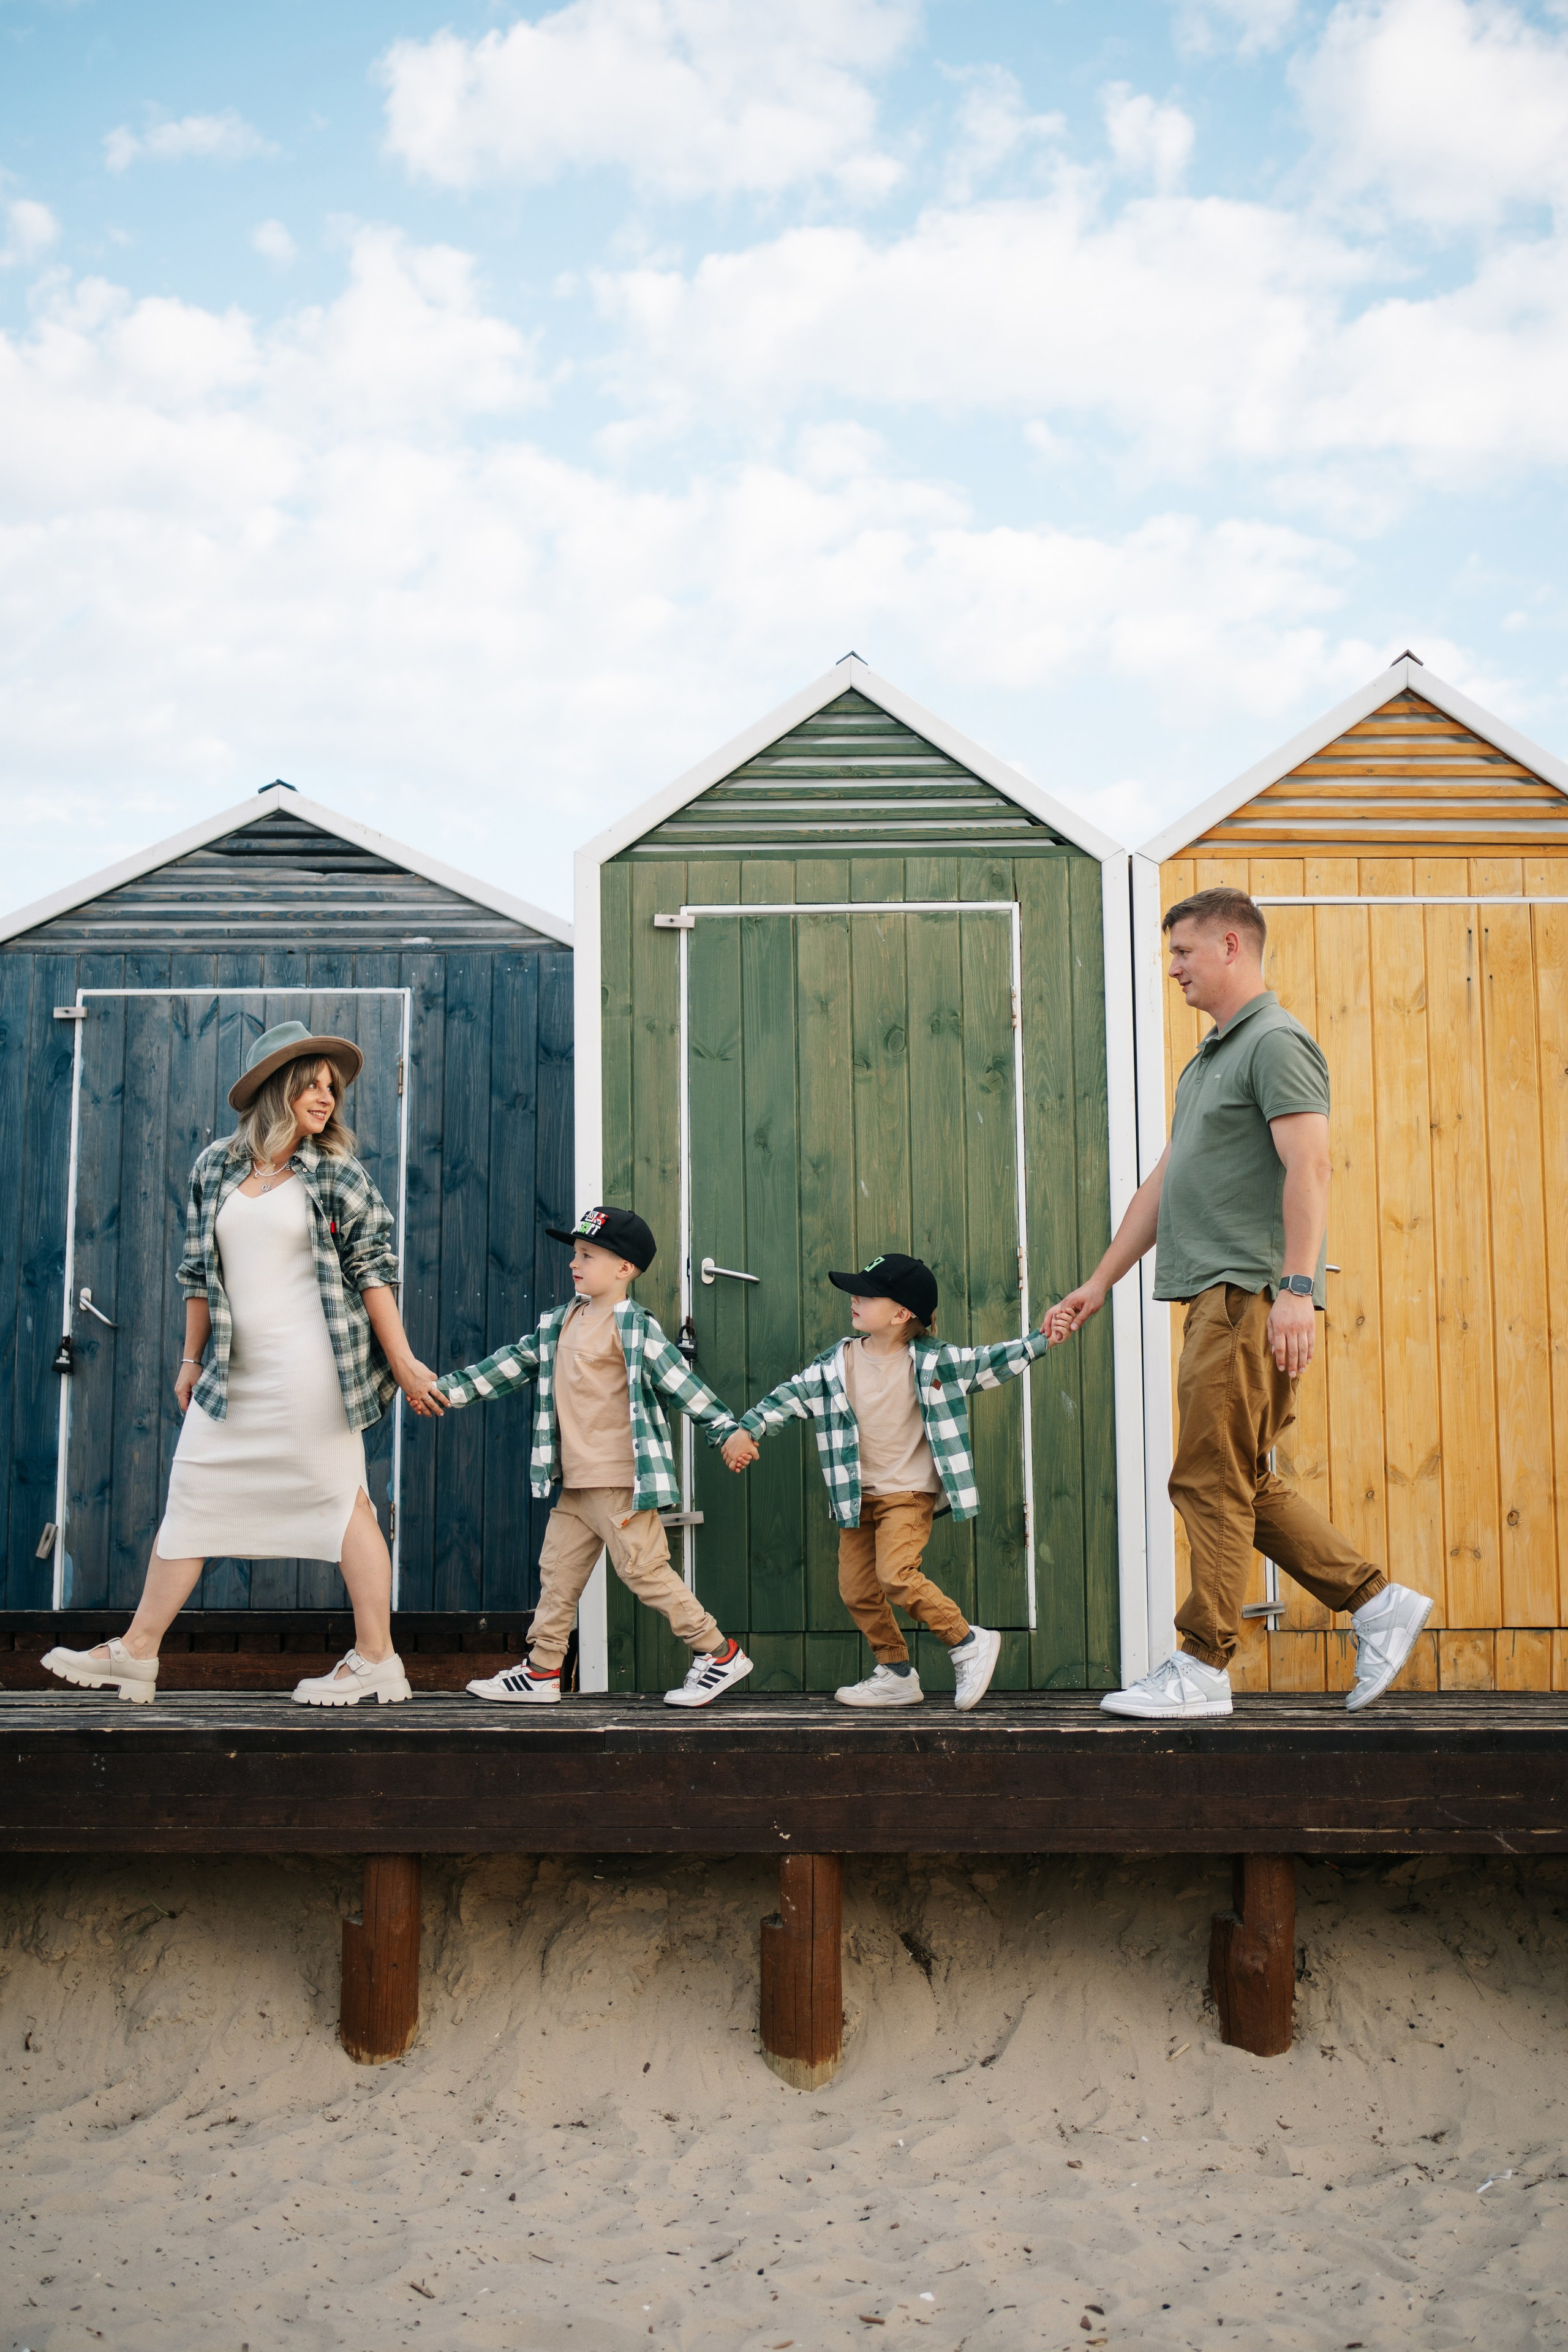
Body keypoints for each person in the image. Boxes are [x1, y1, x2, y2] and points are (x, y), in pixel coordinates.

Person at [1047, 887, 1431, 1718]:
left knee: (1208, 1479)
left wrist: (1295, 1288)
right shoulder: (1208, 1060)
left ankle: (1201, 1665)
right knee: (1242, 1479)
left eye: (1183, 951)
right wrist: (1099, 1281)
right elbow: (1164, 1181)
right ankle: (1376, 1604)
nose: (1173, 968)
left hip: (1246, 1294)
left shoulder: (1275, 1042)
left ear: (1230, 946)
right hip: (1220, 1296)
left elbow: (1311, 1167)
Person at [43, 1021, 437, 1707]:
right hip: (235, 1369)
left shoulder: (336, 1171)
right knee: (193, 1492)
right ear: (276, 1089)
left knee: (342, 1500)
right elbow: (198, 1272)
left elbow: (374, 1269)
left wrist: (401, 1360)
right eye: (312, 1085)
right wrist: (189, 1359)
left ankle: (378, 1658)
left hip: (313, 1368)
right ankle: (138, 1652)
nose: (327, 1098)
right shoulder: (216, 1167)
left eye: (332, 1088)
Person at [417, 1206, 755, 1709]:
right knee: (558, 1574)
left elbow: (683, 1386)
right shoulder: (560, 1322)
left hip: (619, 1481)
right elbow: (511, 1364)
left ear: (625, 1268)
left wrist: (728, 1431)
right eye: (575, 1253)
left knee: (644, 1571)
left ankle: (718, 1652)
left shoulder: (635, 1329)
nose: (575, 1263)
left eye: (589, 1255)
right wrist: (448, 1391)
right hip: (576, 1483)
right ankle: (542, 1670)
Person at [723, 1253, 1052, 1713]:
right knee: (857, 1590)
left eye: (868, 1294)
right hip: (856, 1496)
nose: (854, 1298)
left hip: (908, 1493)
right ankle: (896, 1673)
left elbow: (991, 1361)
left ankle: (967, 1641)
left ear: (901, 1314)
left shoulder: (935, 1362)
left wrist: (1043, 1339)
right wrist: (748, 1429)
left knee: (896, 1575)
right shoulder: (836, 1363)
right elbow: (791, 1395)